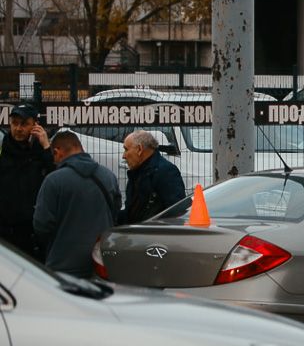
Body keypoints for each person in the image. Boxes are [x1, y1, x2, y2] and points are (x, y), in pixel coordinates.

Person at [32, 129, 121, 278]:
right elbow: (115, 212)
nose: (54, 161)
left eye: (54, 156)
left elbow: (41, 225)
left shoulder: (53, 180)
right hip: (101, 263)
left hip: (63, 265)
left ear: (57, 151)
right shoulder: (108, 176)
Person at [0, 103, 55, 260]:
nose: (18, 128)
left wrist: (46, 146)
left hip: (32, 230)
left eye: (24, 124)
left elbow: (55, 178)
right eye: (15, 123)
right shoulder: (3, 148)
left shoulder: (41, 151)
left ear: (35, 125)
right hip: (5, 228)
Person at [119, 129, 185, 224]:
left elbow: (176, 211)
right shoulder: (137, 172)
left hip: (155, 235)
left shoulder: (165, 172)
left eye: (126, 149)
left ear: (139, 149)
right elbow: (131, 212)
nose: (124, 156)